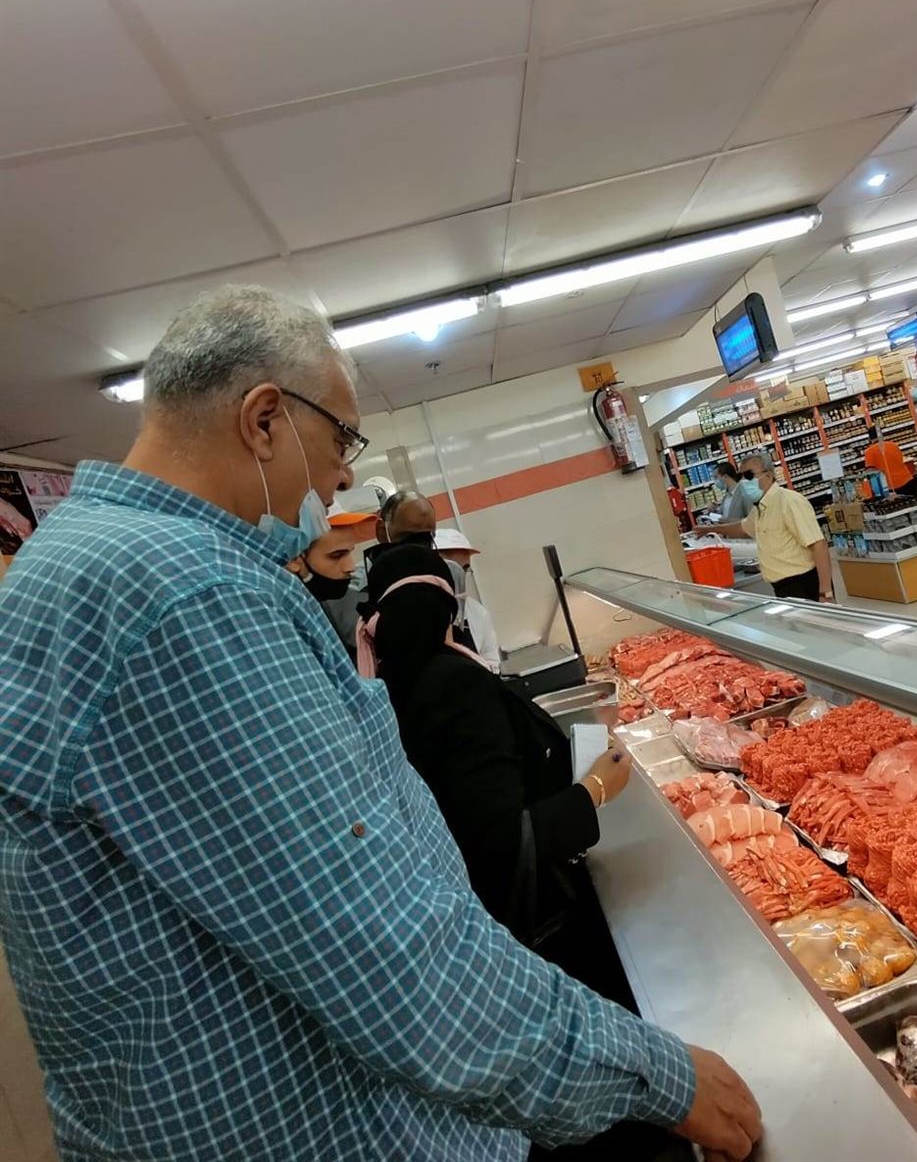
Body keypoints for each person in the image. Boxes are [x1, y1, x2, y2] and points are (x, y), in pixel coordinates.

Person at [0, 285, 761, 1162]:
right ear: (263, 421)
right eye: (340, 440)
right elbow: (382, 949)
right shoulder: (183, 594)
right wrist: (657, 1077)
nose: (341, 479)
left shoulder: (89, 561)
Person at [357, 544, 688, 1162]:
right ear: (444, 609)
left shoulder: (389, 684)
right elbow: (499, 838)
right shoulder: (453, 683)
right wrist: (594, 790)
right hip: (537, 927)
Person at [708, 452, 835, 602]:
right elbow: (743, 528)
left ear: (768, 475)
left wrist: (825, 593)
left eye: (749, 475)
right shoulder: (760, 507)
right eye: (741, 476)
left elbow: (818, 545)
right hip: (782, 587)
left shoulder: (789, 501)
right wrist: (711, 529)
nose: (743, 482)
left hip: (803, 583)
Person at [287, 508, 378, 656]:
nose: (351, 566)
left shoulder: (314, 605)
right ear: (295, 559)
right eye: (336, 556)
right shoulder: (284, 621)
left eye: (349, 552)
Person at [435, 526, 501, 671]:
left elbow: (492, 661)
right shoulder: (418, 616)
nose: (459, 577)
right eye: (453, 569)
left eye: (464, 569)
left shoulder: (477, 613)